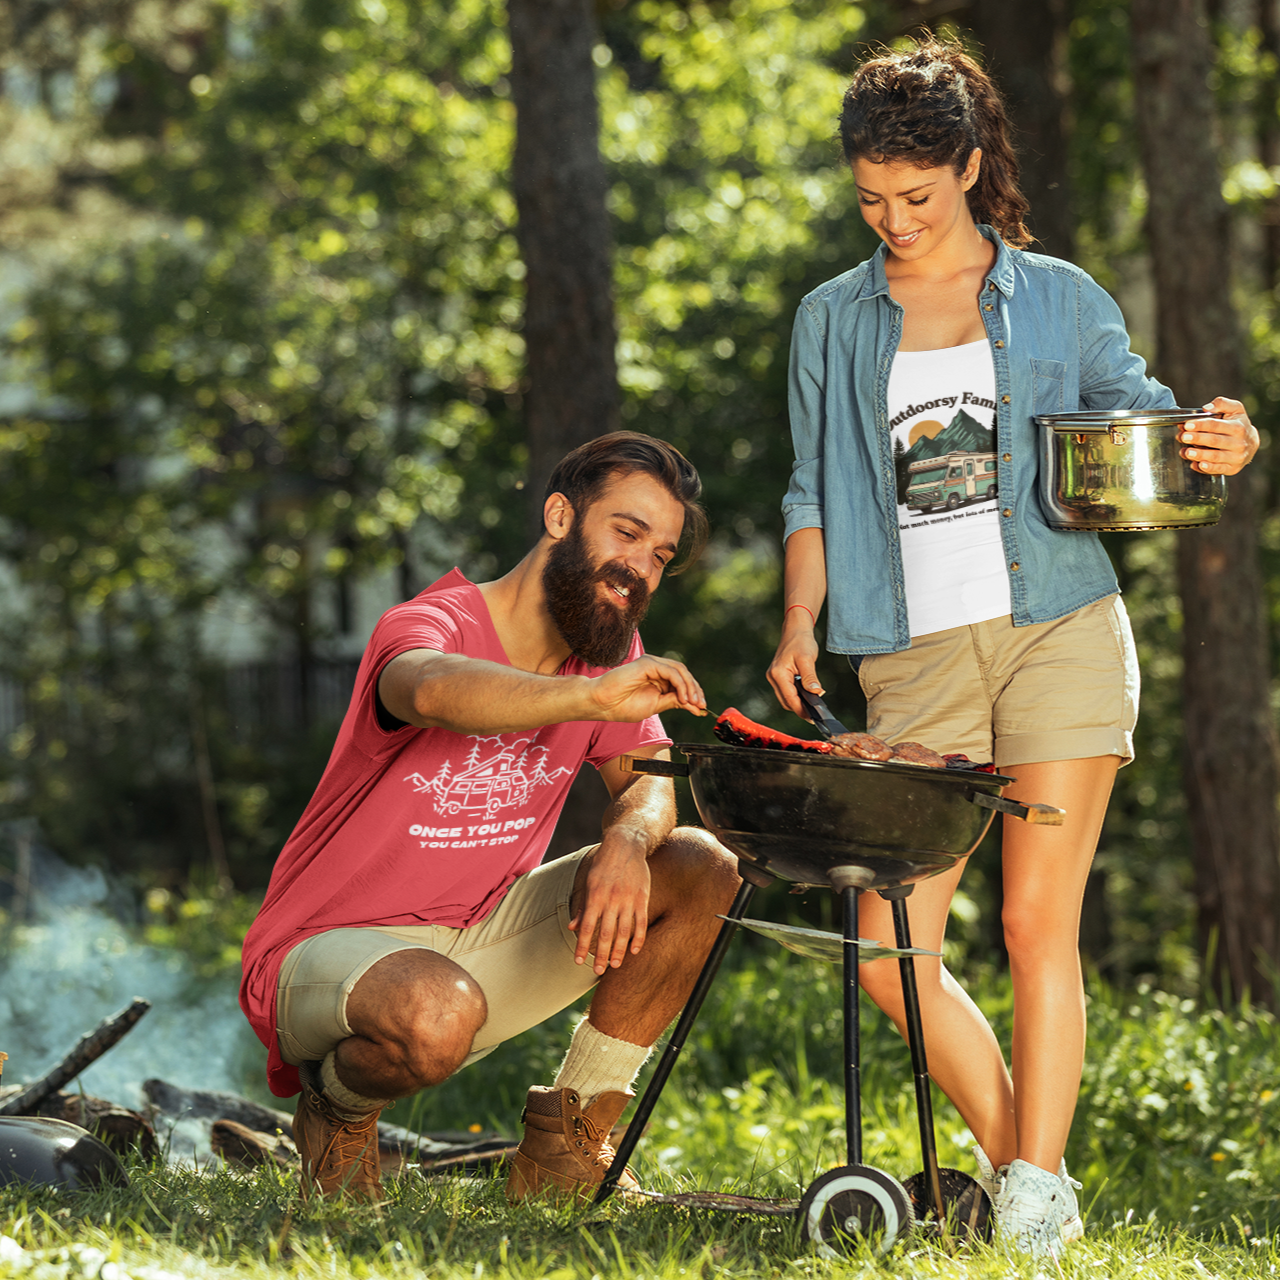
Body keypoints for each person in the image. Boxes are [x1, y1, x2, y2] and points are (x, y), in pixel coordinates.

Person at [766, 38, 1258, 1259]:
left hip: (1059, 631)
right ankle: (1017, 1156)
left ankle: (1034, 1189)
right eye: (870, 198)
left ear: (970, 167)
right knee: (889, 950)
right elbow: (809, 488)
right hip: (911, 653)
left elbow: (1138, 416)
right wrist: (796, 621)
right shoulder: (830, 318)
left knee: (1040, 928)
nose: (893, 221)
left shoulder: (1058, 296)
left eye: (917, 198)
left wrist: (1216, 436)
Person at [240, 431, 741, 1203]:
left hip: (476, 943)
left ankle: (569, 1140)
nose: (641, 567)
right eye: (626, 532)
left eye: (661, 556)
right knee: (435, 1009)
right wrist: (588, 700)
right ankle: (334, 1108)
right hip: (324, 954)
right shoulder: (431, 621)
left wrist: (629, 840)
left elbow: (650, 777)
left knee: (701, 866)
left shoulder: (607, 654)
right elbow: (433, 690)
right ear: (557, 516)